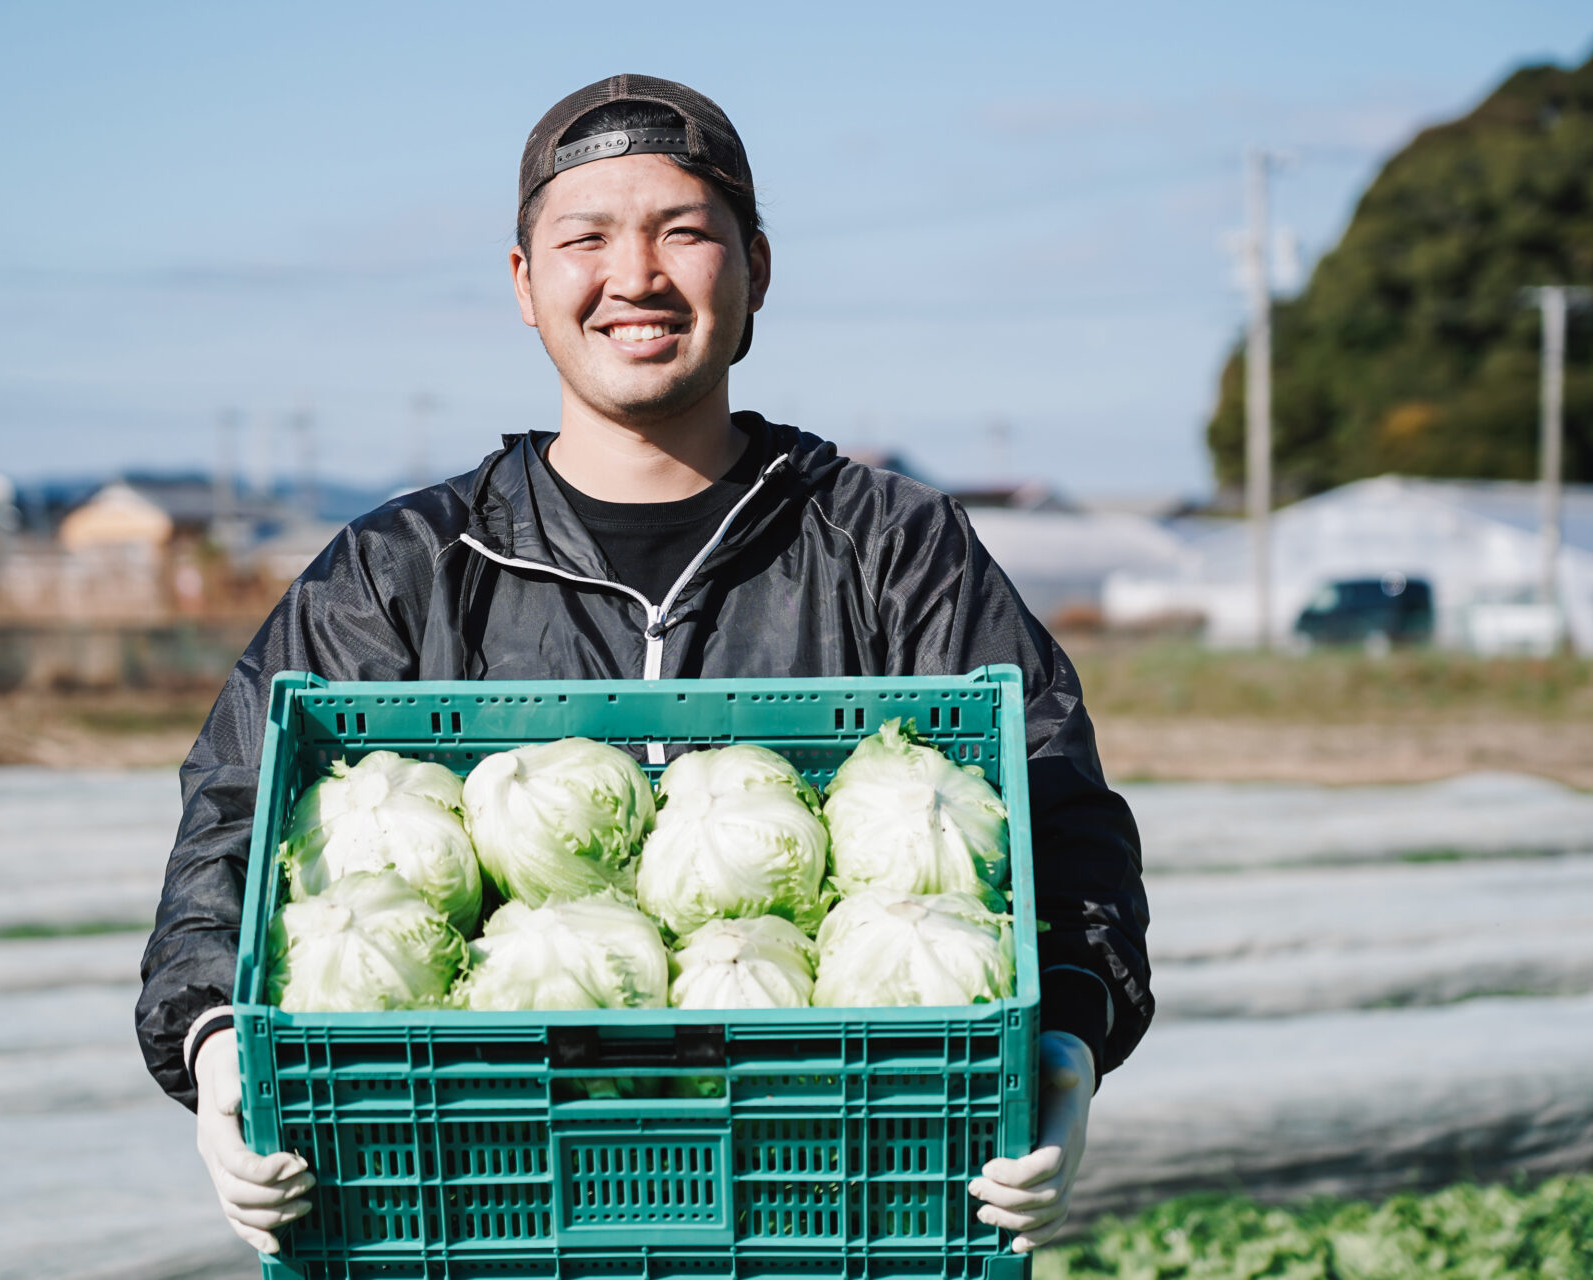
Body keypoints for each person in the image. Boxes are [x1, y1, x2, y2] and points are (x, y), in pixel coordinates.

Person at [137, 73, 1152, 1258]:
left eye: (682, 233)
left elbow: (1055, 813)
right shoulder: (400, 570)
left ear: (755, 268)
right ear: (524, 281)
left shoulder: (890, 547)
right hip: (482, 1192)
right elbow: (236, 814)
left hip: (825, 1191)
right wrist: (217, 1041)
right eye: (586, 239)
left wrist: (1066, 1036)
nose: (636, 277)